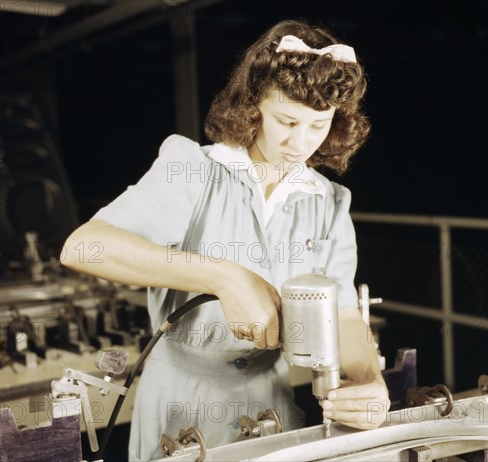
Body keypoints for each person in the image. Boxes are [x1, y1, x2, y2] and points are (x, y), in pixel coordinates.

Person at [62, 18, 390, 461]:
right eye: (286, 120)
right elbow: (82, 247)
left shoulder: (327, 200)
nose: (300, 143)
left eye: (318, 126)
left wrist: (371, 381)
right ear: (254, 104)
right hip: (181, 403)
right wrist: (223, 276)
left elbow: (345, 315)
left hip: (268, 400)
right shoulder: (194, 171)